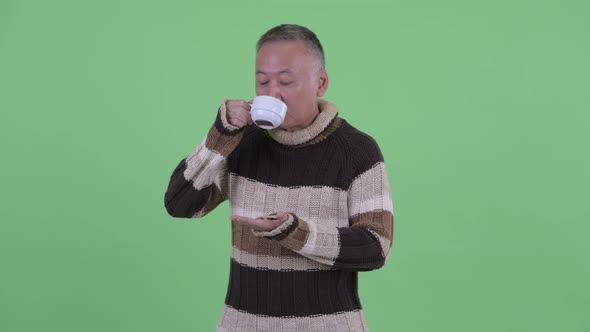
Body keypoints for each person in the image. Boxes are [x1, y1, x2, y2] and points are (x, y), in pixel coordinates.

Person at [164, 24, 394, 332]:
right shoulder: (240, 144)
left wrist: (294, 232)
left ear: (321, 82)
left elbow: (376, 246)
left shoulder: (357, 151)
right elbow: (180, 203)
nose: (273, 93)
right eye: (262, 82)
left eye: (286, 81)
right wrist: (219, 138)